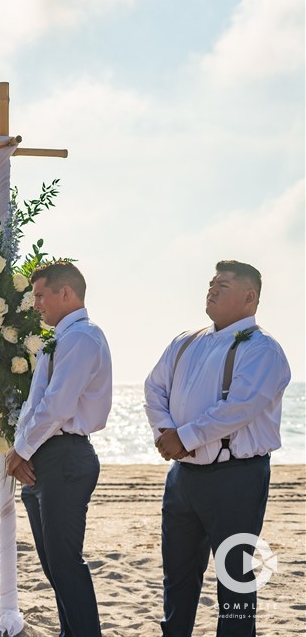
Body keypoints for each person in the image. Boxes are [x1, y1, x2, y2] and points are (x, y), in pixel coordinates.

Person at [144, 260, 290, 637]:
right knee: (177, 576)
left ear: (249, 297)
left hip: (235, 478)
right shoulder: (185, 340)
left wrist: (184, 437)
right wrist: (166, 432)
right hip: (182, 478)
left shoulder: (263, 349)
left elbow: (238, 408)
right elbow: (154, 387)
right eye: (211, 283)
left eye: (222, 285)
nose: (211, 289)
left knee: (234, 577)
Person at [6, 261, 111, 637]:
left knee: (65, 563)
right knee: (54, 566)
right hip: (47, 456)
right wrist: (25, 449)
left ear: (65, 293)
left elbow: (58, 404)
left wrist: (21, 449)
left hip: (66, 456)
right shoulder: (62, 338)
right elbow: (38, 403)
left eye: (40, 296)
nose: (35, 304)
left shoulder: (82, 337)